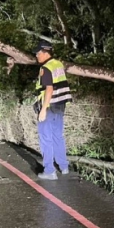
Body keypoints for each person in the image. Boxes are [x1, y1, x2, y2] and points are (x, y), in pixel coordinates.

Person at [34, 40, 72, 180]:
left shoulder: (45, 68)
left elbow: (49, 89)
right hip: (60, 105)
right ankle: (64, 166)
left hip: (49, 106)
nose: (37, 56)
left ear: (45, 53)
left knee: (45, 138)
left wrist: (43, 109)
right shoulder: (58, 64)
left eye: (38, 53)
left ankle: (49, 171)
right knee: (58, 136)